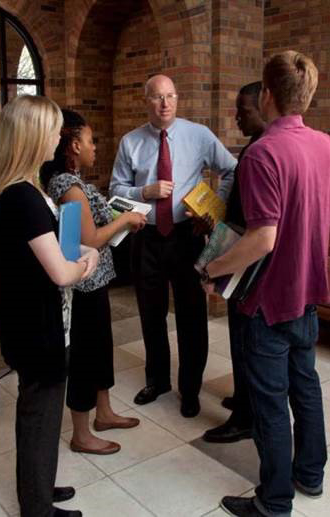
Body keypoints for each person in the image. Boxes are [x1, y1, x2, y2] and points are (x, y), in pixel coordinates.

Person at [201, 51, 330, 516]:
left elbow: (262, 238)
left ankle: (274, 501)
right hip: (308, 293)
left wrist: (211, 271)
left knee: (271, 402)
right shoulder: (326, 145)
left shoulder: (261, 153)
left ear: (268, 94)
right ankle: (310, 476)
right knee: (306, 386)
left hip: (267, 300)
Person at [0, 95, 99, 517]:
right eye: (53, 129)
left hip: (29, 322)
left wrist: (73, 250)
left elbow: (45, 252)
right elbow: (61, 273)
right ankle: (37, 507)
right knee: (40, 417)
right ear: (34, 136)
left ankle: (39, 487)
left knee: (43, 415)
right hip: (36, 328)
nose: (59, 137)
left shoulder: (19, 191)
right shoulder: (23, 199)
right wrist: (87, 261)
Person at [110, 74, 237, 417]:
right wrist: (143, 192)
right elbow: (115, 189)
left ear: (177, 99)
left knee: (191, 316)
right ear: (146, 101)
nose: (164, 103)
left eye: (170, 96)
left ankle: (190, 388)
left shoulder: (199, 135)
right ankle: (157, 380)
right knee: (151, 313)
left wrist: (212, 208)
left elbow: (231, 169)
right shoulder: (131, 142)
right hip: (146, 238)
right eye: (156, 97)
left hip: (186, 236)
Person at [40, 109, 147, 455]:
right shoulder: (68, 187)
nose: (95, 148)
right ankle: (82, 433)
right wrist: (126, 219)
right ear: (73, 146)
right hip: (83, 285)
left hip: (95, 281)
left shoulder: (75, 183)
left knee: (101, 349)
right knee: (86, 356)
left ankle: (104, 413)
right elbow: (87, 239)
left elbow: (77, 239)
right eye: (90, 141)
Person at [203, 81, 267, 444]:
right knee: (239, 339)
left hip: (248, 261)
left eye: (243, 110)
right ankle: (244, 399)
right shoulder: (252, 148)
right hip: (241, 254)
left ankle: (246, 416)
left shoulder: (261, 153)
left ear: (265, 106)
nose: (237, 117)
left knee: (246, 341)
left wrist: (218, 264)